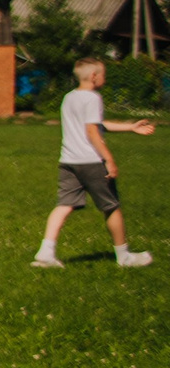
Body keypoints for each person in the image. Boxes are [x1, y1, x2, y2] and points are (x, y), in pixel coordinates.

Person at [34, 58, 154, 268]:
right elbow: (92, 131)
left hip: (69, 161)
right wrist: (108, 159)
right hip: (91, 162)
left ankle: (46, 252)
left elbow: (96, 124)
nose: (105, 79)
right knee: (111, 207)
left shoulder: (69, 97)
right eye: (104, 75)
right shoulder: (93, 98)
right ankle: (124, 256)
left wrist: (130, 127)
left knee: (64, 205)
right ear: (94, 76)